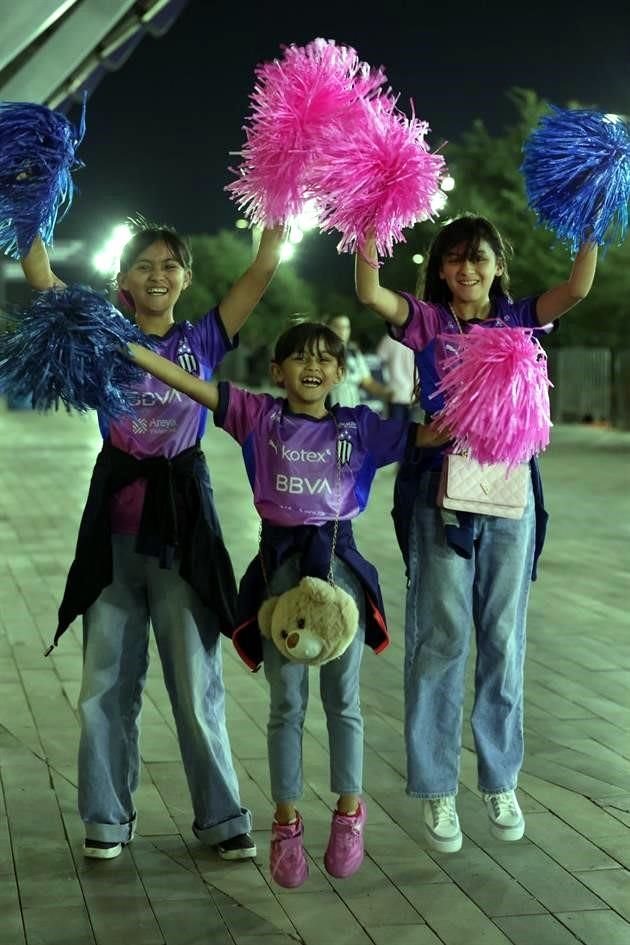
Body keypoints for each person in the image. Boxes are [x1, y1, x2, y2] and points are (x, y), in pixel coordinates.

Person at [125, 320, 439, 887]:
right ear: (278, 371)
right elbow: (193, 385)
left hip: (341, 569)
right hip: (279, 575)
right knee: (286, 706)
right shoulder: (258, 416)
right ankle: (287, 820)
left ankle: (349, 812)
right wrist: (135, 353)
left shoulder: (360, 426)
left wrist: (493, 395)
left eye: (325, 359)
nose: (311, 367)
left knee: (344, 702)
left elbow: (430, 432)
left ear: (341, 372)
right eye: (299, 358)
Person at [19, 222, 285, 860]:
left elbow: (260, 272)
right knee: (103, 687)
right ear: (122, 280)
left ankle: (222, 818)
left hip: (182, 532)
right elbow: (40, 276)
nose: (157, 275)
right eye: (143, 266)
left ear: (186, 279)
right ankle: (106, 819)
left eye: (170, 265)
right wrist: (26, 205)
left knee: (196, 686)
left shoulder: (203, 338)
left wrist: (276, 217)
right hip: (113, 532)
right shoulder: (103, 334)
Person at [355, 214, 597, 853]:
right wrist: (369, 223)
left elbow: (574, 291)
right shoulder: (428, 322)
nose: (467, 269)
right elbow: (369, 293)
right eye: (456, 259)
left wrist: (590, 224)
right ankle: (437, 787)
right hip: (441, 495)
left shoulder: (519, 317)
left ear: (497, 265)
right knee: (442, 637)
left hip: (510, 494)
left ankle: (499, 779)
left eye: (479, 258)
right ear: (440, 267)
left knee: (502, 635)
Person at [326, 314, 390, 409]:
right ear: (329, 329)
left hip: (353, 414)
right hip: (331, 413)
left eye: (346, 327)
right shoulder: (323, 354)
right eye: (338, 327)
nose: (343, 331)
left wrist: (387, 393)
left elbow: (367, 382)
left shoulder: (354, 353)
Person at [376, 331, 416, 423]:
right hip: (414, 394)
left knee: (395, 432)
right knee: (412, 433)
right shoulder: (418, 337)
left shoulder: (390, 338)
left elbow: (378, 362)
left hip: (395, 393)